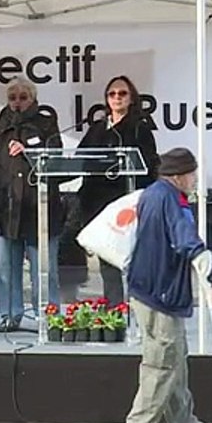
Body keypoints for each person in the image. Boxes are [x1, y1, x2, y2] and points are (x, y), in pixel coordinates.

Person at [123, 147, 212, 423]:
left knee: (175, 357)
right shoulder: (173, 201)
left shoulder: (152, 194)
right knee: (162, 357)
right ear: (180, 175)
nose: (195, 179)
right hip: (160, 289)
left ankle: (182, 420)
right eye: (193, 173)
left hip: (150, 285)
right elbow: (186, 240)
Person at [0, 77, 63, 334]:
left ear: (33, 99)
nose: (17, 102)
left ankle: (49, 317)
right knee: (5, 269)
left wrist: (29, 151)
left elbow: (55, 158)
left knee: (44, 270)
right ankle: (10, 315)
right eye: (13, 97)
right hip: (5, 208)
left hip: (39, 208)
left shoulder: (47, 125)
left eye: (23, 97)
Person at [76, 75, 160, 304]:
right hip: (99, 202)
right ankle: (115, 310)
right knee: (108, 262)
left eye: (122, 93)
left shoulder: (139, 129)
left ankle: (142, 309)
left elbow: (149, 165)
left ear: (131, 98)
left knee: (134, 260)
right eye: (111, 94)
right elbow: (80, 159)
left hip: (126, 202)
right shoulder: (97, 128)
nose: (116, 98)